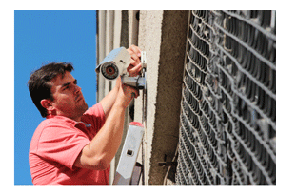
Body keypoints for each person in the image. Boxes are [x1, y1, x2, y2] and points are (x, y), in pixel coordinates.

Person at [28, 45, 143, 185]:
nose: (77, 89)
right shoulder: (48, 131)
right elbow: (98, 158)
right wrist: (121, 102)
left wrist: (126, 62)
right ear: (48, 105)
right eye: (66, 87)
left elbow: (117, 92)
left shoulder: (86, 122)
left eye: (74, 83)